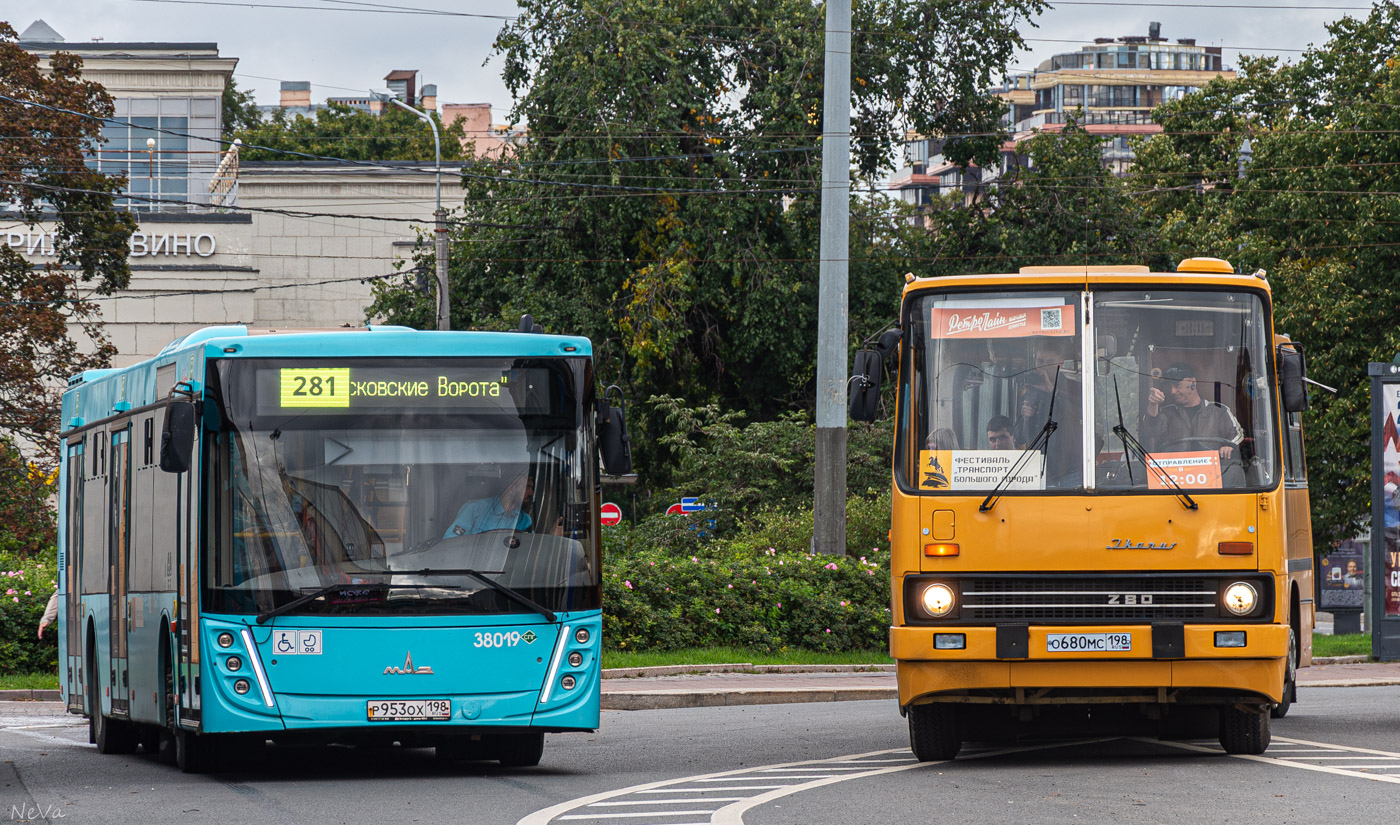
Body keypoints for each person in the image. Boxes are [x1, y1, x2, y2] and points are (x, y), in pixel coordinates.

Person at [1143, 362, 1243, 459]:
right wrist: (1153, 404)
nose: (1173, 391)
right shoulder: (1166, 413)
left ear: (1193, 383)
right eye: (1170, 386)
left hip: (1215, 474)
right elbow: (1150, 430)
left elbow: (1237, 436)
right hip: (1172, 474)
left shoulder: (1219, 411)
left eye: (1177, 385)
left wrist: (1230, 446)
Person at [443, 470, 562, 538]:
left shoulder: (525, 520)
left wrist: (551, 537)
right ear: (510, 489)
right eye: (527, 487)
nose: (531, 493)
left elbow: (531, 551)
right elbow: (450, 544)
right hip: (473, 576)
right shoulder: (474, 509)